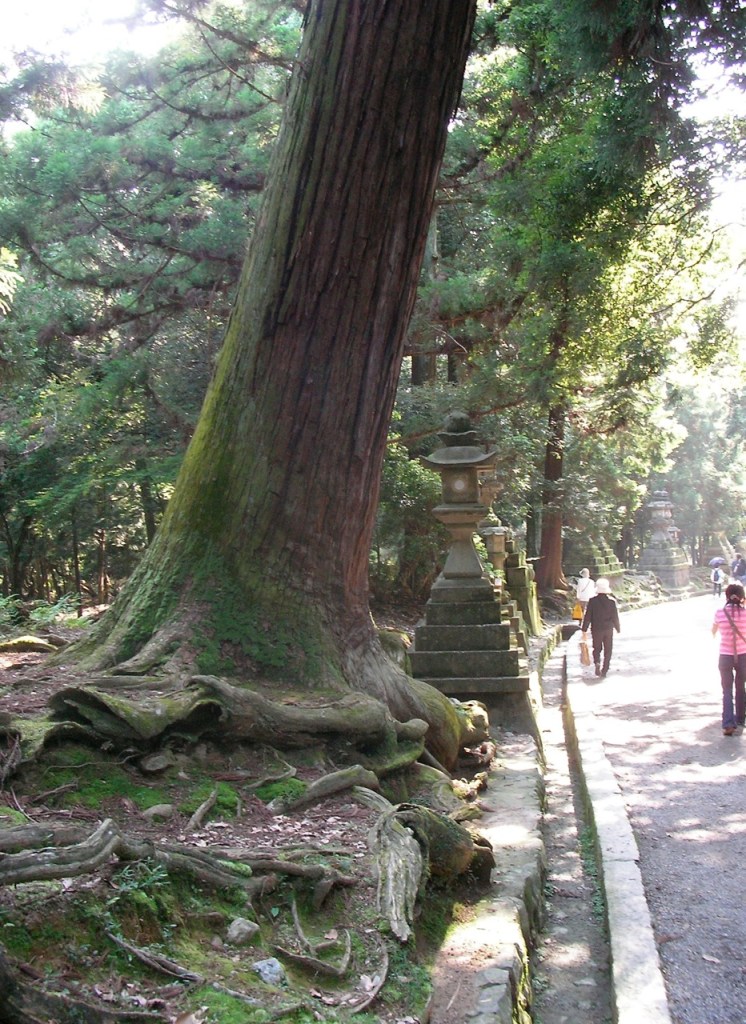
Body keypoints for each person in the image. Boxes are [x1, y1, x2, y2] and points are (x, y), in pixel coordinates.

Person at [711, 582, 746, 736]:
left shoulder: (719, 612)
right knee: (740, 687)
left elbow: (713, 631)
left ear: (727, 596)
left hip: (725, 656)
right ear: (741, 597)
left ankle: (728, 724)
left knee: (726, 690)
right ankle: (740, 718)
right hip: (744, 655)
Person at [581, 577, 621, 678]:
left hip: (596, 629)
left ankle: (597, 662)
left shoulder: (592, 601)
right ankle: (605, 669)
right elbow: (615, 617)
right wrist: (618, 628)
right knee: (608, 649)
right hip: (608, 629)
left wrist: (584, 629)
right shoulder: (611, 602)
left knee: (597, 648)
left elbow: (588, 616)